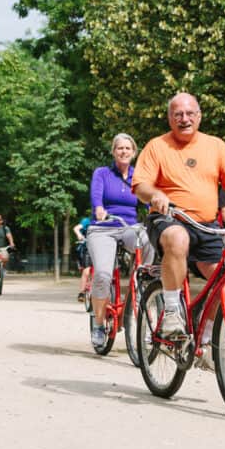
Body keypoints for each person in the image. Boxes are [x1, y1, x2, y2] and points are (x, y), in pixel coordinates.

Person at [132, 93, 225, 364]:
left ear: (199, 116)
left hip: (207, 225)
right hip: (169, 218)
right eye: (178, 114)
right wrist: (155, 196)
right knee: (176, 237)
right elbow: (141, 185)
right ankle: (173, 311)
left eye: (189, 114)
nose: (184, 119)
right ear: (170, 118)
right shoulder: (156, 146)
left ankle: (206, 338)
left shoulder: (216, 146)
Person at [84, 133, 155, 349]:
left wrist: (155, 213)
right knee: (103, 275)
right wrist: (98, 208)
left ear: (134, 152)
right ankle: (98, 324)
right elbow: (96, 196)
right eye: (119, 148)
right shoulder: (102, 174)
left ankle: (141, 278)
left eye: (127, 148)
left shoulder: (139, 176)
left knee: (149, 238)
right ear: (114, 152)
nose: (123, 151)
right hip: (103, 228)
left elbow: (148, 201)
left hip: (128, 228)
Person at [73, 216, 92, 302]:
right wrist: (79, 235)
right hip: (87, 249)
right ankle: (81, 293)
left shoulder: (106, 220)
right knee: (87, 271)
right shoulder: (87, 221)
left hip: (100, 249)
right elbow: (76, 228)